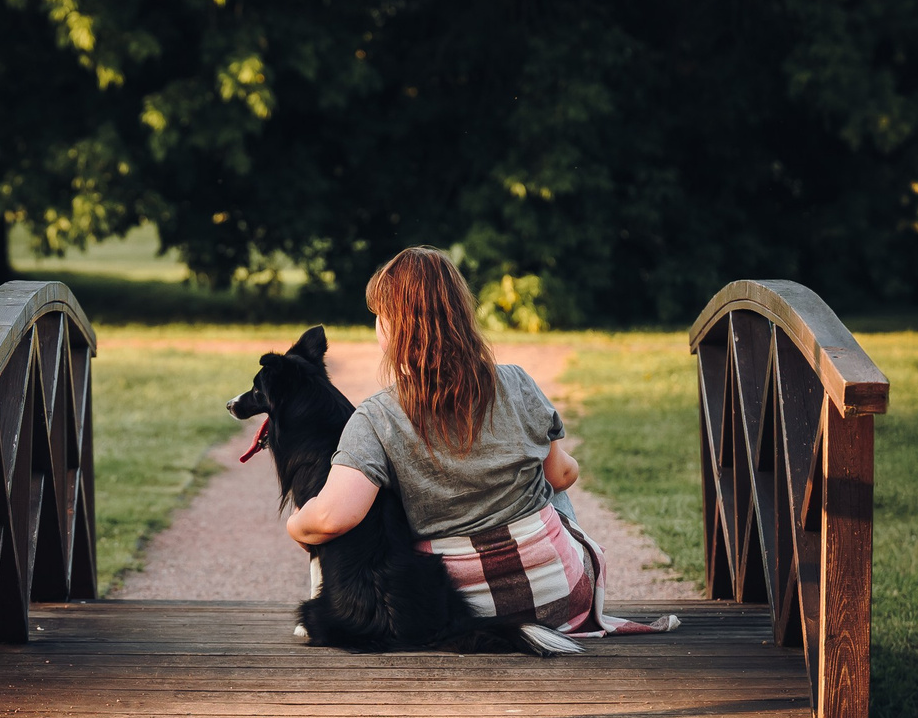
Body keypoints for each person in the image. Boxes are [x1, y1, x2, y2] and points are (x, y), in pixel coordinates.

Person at [283, 245, 678, 652]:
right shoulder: (517, 383)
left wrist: (296, 524)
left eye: (378, 318)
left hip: (456, 605)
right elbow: (561, 476)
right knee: (549, 478)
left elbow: (331, 519)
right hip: (559, 595)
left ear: (393, 329)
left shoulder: (376, 417)